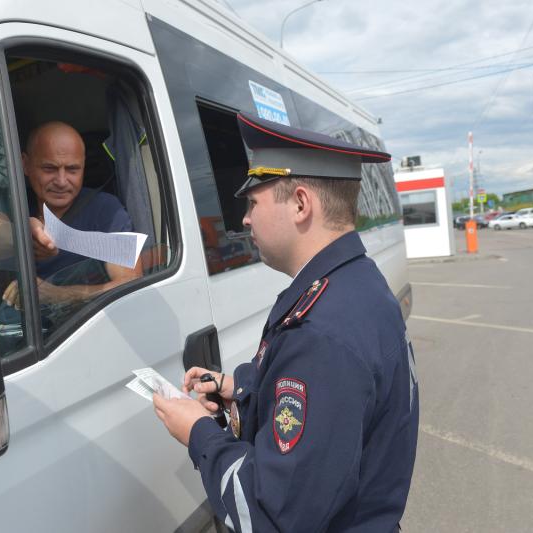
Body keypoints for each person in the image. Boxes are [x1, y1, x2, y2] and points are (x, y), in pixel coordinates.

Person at [153, 113, 419, 532]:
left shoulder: (321, 333)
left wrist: (199, 433)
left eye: (253, 202)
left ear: (300, 204)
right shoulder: (353, 285)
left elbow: (271, 515)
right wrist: (238, 391)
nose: (244, 219)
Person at [0, 121, 142, 307]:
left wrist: (59, 295)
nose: (62, 181)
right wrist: (21, 235)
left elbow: (131, 283)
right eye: (49, 169)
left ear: (83, 167)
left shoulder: (105, 211)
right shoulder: (16, 203)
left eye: (72, 169)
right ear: (25, 165)